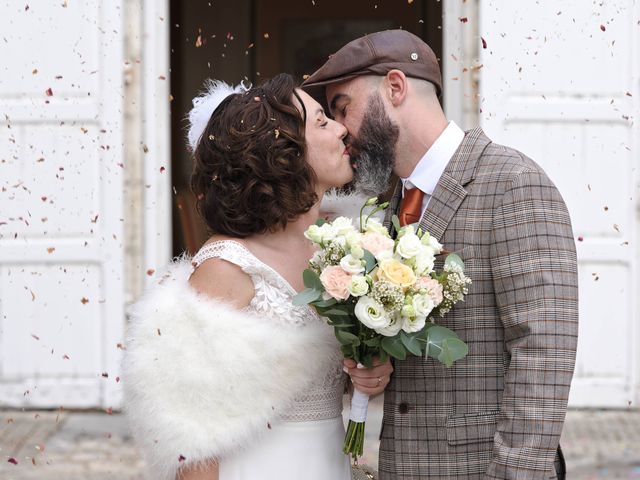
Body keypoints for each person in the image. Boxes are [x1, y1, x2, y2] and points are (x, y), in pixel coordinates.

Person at [302, 29, 579, 479]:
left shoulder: (513, 182)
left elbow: (543, 353)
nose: (341, 131)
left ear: (395, 87)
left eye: (343, 108)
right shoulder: (395, 205)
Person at [122, 73, 357, 480]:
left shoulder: (341, 250)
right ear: (283, 152)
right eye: (321, 121)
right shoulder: (227, 268)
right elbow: (189, 433)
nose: (341, 129)